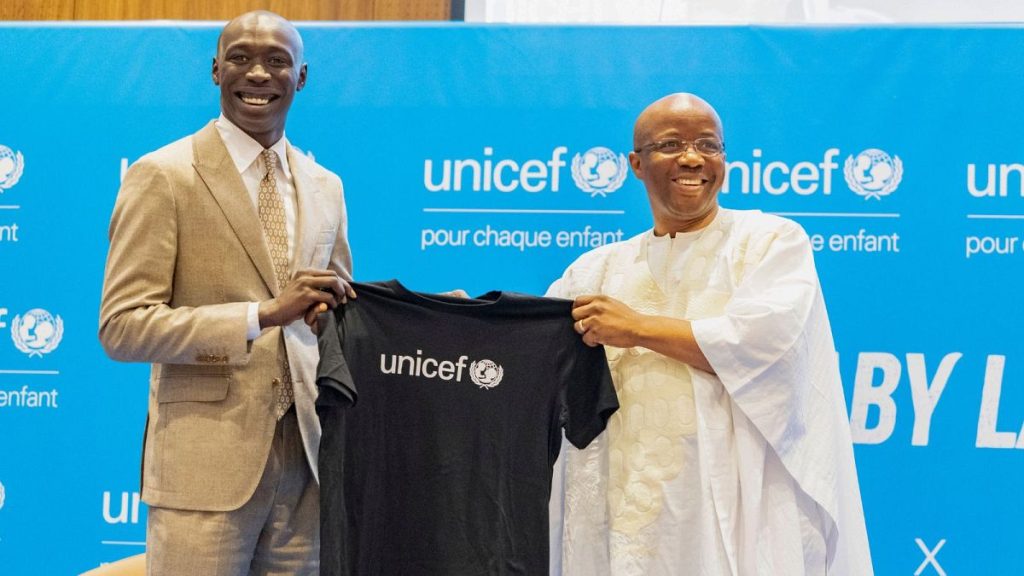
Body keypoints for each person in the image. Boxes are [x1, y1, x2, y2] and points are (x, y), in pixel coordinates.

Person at [547, 93, 873, 575]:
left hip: (731, 510)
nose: (692, 158)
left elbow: (763, 345)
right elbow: (534, 356)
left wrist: (635, 327)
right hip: (621, 509)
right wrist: (463, 324)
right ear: (636, 164)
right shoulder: (594, 271)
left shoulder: (769, 243)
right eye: (671, 144)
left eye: (708, 145)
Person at [99, 11, 354, 575]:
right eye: (240, 58)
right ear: (216, 70)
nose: (258, 73)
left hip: (308, 465)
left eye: (276, 61)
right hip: (204, 468)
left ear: (301, 77)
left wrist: (426, 318)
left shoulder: (326, 187)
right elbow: (122, 326)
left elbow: (336, 317)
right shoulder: (163, 175)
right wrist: (261, 315)